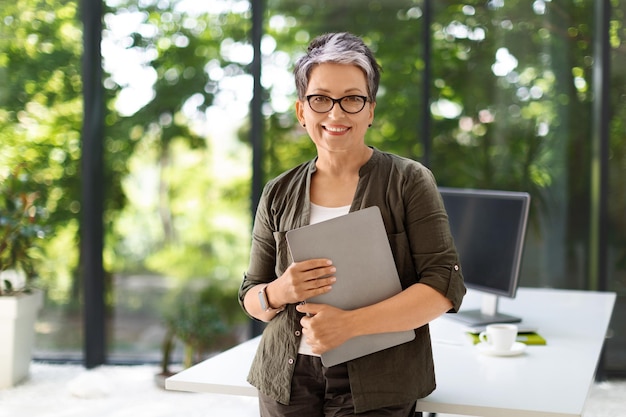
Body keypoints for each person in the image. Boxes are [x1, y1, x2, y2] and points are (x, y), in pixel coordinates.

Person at [238, 32, 466, 417]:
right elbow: (250, 296)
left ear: (370, 110)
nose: (336, 113)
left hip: (379, 379)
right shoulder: (277, 191)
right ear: (302, 111)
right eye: (321, 99)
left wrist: (350, 325)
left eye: (352, 99)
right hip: (285, 378)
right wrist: (279, 290)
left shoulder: (408, 180)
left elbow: (443, 285)